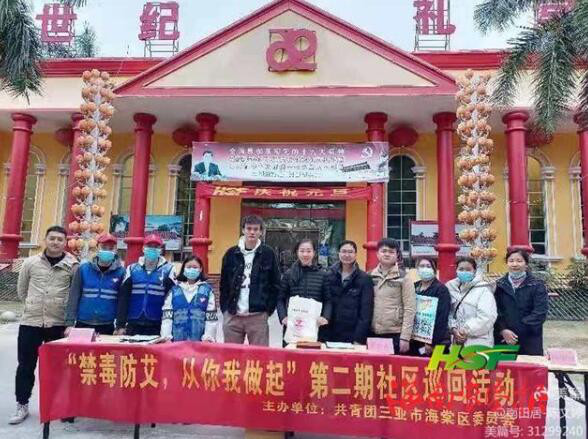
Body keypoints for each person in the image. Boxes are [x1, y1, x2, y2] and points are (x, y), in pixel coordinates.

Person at [10, 225, 79, 425]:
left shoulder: (72, 265)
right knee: (25, 366)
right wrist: (34, 305)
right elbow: (22, 291)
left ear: (65, 243)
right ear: (45, 240)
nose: (55, 242)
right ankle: (22, 404)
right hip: (30, 322)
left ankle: (60, 406)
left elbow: (74, 293)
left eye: (60, 239)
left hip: (57, 324)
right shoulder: (30, 263)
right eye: (52, 238)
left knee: (59, 368)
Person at [219, 215, 280, 346]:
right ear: (243, 230)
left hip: (258, 315)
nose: (252, 232)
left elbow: (275, 284)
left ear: (261, 232)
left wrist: (267, 310)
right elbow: (224, 284)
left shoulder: (268, 254)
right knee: (231, 355)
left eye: (256, 229)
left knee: (259, 355)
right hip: (233, 315)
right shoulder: (231, 254)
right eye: (249, 228)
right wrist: (225, 309)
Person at [115, 234, 176, 336]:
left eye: (156, 247)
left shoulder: (169, 270)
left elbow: (171, 300)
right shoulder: (132, 269)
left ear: (161, 250)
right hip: (133, 324)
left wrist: (169, 327)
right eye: (149, 246)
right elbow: (124, 298)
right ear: (143, 248)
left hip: (157, 325)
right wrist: (120, 325)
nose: (152, 249)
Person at [65, 233, 125, 335]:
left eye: (111, 248)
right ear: (97, 248)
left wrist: (120, 325)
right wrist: (69, 323)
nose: (107, 251)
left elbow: (122, 301)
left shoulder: (121, 272)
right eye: (104, 247)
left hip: (108, 325)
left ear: (116, 250)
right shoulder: (83, 269)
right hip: (83, 322)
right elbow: (74, 296)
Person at [494, 249, 548, 355]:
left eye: (519, 261)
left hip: (530, 338)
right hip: (504, 339)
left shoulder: (537, 285)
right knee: (504, 365)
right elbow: (495, 311)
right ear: (507, 263)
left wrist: (515, 331)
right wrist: (503, 330)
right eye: (511, 261)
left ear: (526, 264)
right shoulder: (499, 285)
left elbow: (540, 313)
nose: (515, 264)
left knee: (529, 365)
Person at [277, 239, 332, 343]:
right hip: (293, 326)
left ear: (314, 253)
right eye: (302, 251)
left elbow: (328, 300)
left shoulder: (323, 275)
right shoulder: (289, 274)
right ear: (297, 252)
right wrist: (283, 317)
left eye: (308, 251)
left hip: (315, 326)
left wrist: (325, 317)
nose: (305, 254)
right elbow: (280, 299)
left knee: (312, 352)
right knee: (292, 352)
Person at [370, 238, 416, 354]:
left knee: (392, 365)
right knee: (373, 364)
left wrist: (405, 337)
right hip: (372, 331)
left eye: (391, 252)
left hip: (395, 333)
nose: (387, 254)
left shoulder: (404, 277)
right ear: (377, 254)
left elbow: (410, 308)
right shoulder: (370, 276)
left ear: (397, 255)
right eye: (383, 251)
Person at [323, 240, 374, 344]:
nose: (347, 255)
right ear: (339, 253)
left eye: (350, 252)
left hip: (352, 333)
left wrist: (358, 338)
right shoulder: (328, 275)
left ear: (355, 254)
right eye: (344, 251)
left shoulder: (364, 279)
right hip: (330, 332)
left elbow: (366, 312)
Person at [160, 256, 218, 342]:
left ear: (200, 269)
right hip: (177, 342)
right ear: (184, 269)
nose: (192, 269)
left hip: (200, 343)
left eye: (195, 267)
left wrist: (208, 338)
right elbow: (167, 317)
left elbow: (211, 319)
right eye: (188, 267)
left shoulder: (207, 290)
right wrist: (166, 338)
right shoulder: (174, 291)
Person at [446, 257, 497, 346]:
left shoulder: (483, 289)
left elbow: (487, 317)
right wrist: (453, 329)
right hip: (456, 341)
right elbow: (449, 313)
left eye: (468, 269)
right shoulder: (451, 288)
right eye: (461, 269)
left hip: (478, 341)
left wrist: (465, 330)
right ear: (456, 270)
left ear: (474, 271)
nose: (464, 272)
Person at [410, 257, 451, 356]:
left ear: (434, 269)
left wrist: (432, 342)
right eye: (422, 266)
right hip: (414, 338)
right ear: (417, 269)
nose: (425, 269)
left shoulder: (441, 289)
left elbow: (442, 318)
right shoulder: (414, 286)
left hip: (433, 340)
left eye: (428, 266)